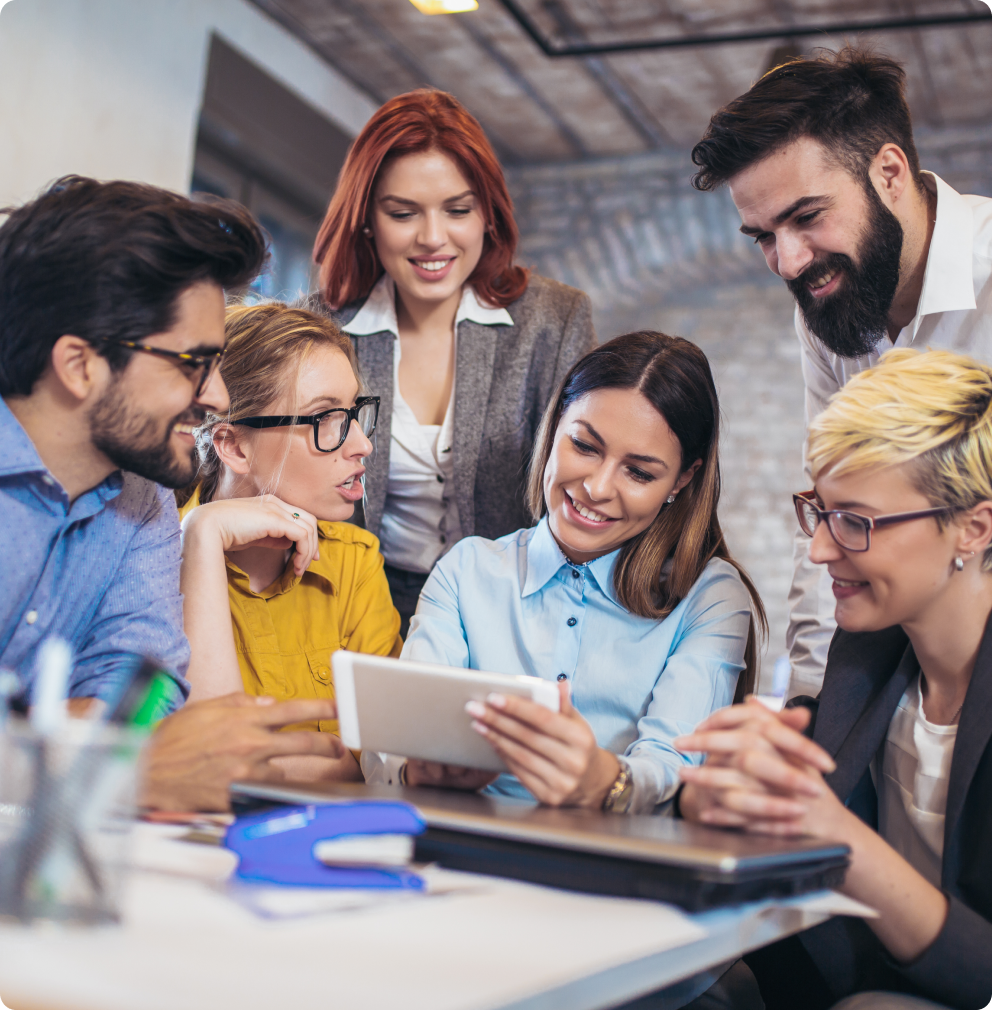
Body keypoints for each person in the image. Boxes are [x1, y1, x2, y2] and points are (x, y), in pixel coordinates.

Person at [676, 349, 992, 1010]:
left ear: (973, 527)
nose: (819, 548)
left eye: (855, 521)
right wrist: (717, 806)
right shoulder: (868, 657)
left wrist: (842, 845)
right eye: (818, 511)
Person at [690, 46, 992, 700]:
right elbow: (832, 513)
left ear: (889, 172)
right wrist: (811, 702)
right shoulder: (827, 311)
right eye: (763, 236)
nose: (789, 262)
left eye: (806, 218)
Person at [368, 332, 766, 815]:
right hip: (467, 850)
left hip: (622, 868)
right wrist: (416, 769)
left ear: (682, 480)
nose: (597, 487)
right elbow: (393, 743)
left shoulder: (711, 596)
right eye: (584, 446)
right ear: (554, 427)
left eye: (638, 473)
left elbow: (670, 763)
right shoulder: (466, 571)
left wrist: (606, 782)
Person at [314, 88, 597, 636]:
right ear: (367, 219)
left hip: (510, 610)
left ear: (488, 214)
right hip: (352, 602)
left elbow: (575, 486)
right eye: (402, 213)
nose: (433, 238)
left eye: (458, 210)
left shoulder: (554, 321)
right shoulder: (322, 330)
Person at [0, 175, 266, 711]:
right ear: (80, 365)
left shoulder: (143, 495)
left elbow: (144, 689)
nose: (217, 396)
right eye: (194, 364)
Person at [177, 302, 402, 782]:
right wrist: (203, 535)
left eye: (355, 412)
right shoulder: (149, 556)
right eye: (325, 418)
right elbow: (203, 765)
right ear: (234, 446)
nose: (361, 443)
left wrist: (263, 764)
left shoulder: (354, 564)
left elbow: (383, 765)